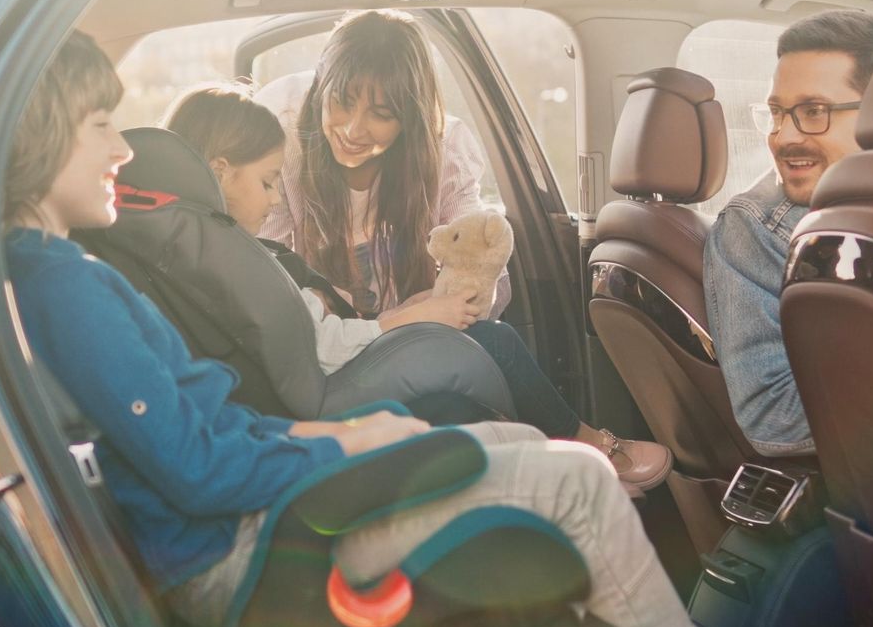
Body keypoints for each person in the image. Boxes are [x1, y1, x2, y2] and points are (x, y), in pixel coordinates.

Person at [1, 31, 873, 627]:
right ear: (43, 137)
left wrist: (333, 435)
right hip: (250, 553)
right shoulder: (65, 288)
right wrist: (345, 447)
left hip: (253, 517)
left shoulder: (64, 274)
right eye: (99, 127)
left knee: (518, 437)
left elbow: (207, 438)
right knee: (580, 480)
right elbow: (201, 471)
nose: (123, 149)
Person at [163, 81, 665, 482]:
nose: (276, 200)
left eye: (380, 113)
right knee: (496, 340)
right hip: (319, 387)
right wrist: (412, 317)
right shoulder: (232, 256)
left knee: (465, 381)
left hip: (315, 374)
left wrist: (407, 311)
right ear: (220, 172)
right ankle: (590, 449)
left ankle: (573, 452)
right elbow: (320, 343)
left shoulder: (213, 246)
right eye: (269, 182)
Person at [702, 10, 873, 456]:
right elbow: (773, 418)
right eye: (776, 112)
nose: (783, 136)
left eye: (814, 112)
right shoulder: (759, 228)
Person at [255, 8, 506, 319]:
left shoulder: (445, 149)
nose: (352, 130)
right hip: (326, 338)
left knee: (498, 338)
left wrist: (433, 305)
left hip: (416, 331)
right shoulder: (284, 142)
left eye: (381, 114)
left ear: (409, 120)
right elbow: (267, 270)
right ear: (321, 89)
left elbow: (476, 261)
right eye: (341, 102)